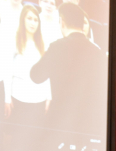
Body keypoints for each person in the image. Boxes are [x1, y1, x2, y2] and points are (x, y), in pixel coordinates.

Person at [30, 1, 104, 136]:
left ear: (62, 22)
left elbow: (36, 76)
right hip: (88, 123)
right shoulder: (96, 52)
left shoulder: (57, 47)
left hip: (60, 120)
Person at [3, 5, 49, 124]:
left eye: (35, 20)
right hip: (19, 97)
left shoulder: (42, 44)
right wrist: (7, 98)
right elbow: (7, 70)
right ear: (23, 19)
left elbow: (46, 73)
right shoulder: (15, 41)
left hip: (38, 99)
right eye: (29, 18)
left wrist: (49, 97)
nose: (32, 23)